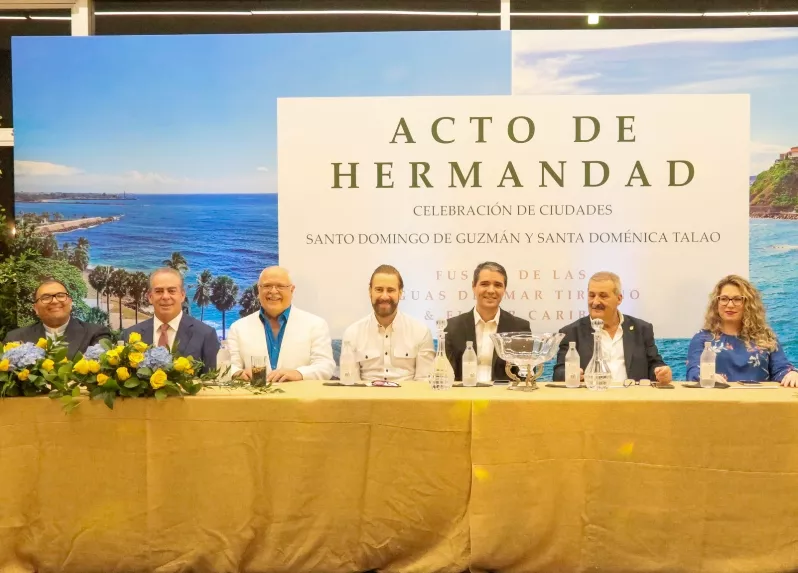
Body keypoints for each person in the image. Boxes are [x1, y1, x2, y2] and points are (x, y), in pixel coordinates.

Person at [553, 271, 672, 384]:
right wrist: (569, 374)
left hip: (633, 399)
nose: (595, 302)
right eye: (591, 295)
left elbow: (655, 365)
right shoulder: (571, 332)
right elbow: (558, 373)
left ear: (619, 299)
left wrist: (661, 373)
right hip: (590, 400)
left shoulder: (642, 329)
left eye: (603, 296)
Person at [227, 266, 334, 382]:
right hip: (254, 398)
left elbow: (325, 365)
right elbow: (227, 366)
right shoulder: (238, 327)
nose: (273, 291)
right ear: (259, 290)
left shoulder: (315, 324)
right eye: (267, 286)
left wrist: (299, 373)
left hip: (299, 397)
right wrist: (238, 373)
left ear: (292, 290)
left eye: (280, 286)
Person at [686, 274, 797, 386]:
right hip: (717, 400)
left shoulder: (766, 337)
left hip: (759, 401)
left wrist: (792, 374)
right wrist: (706, 377)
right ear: (716, 303)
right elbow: (693, 372)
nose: (730, 305)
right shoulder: (702, 338)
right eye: (724, 299)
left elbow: (782, 370)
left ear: (749, 304)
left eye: (737, 299)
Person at [342, 265, 434, 382]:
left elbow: (424, 383)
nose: (384, 296)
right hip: (366, 398)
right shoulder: (353, 333)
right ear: (370, 292)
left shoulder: (421, 332)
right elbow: (350, 383)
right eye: (379, 290)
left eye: (390, 290)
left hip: (407, 398)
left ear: (400, 293)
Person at [445, 262, 531, 382]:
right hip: (463, 397)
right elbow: (445, 375)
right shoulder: (451, 328)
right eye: (484, 284)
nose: (491, 290)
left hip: (504, 397)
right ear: (474, 287)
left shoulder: (520, 328)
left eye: (498, 285)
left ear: (504, 289)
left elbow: (526, 378)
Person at [122, 268, 219, 372]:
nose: (165, 296)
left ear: (182, 295)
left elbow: (210, 382)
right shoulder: (131, 334)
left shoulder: (205, 335)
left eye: (172, 291)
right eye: (159, 291)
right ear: (150, 297)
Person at [4, 277, 111, 358]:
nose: (55, 301)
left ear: (70, 303)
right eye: (46, 297)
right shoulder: (15, 338)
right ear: (35, 308)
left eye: (60, 295)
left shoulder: (96, 334)